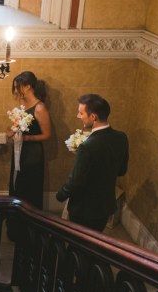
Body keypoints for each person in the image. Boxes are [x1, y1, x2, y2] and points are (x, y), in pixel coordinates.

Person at [56, 94, 129, 232]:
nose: (78, 116)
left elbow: (76, 180)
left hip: (84, 209)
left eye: (81, 113)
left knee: (78, 245)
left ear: (93, 117)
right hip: (105, 206)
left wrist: (60, 194)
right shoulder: (121, 138)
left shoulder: (87, 146)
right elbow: (122, 170)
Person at [8, 71, 52, 210]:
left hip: (32, 154)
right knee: (18, 184)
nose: (15, 91)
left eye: (17, 87)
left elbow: (47, 135)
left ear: (27, 86)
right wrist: (13, 132)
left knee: (29, 186)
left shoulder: (39, 108)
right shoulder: (23, 106)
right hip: (20, 151)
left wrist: (27, 138)